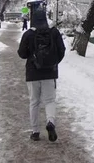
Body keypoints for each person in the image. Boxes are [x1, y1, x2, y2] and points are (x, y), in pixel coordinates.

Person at [17, 7, 66, 142]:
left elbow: (21, 53)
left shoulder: (28, 34)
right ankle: (50, 122)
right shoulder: (54, 32)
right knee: (50, 100)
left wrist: (32, 56)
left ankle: (35, 131)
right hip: (50, 73)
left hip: (32, 73)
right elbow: (62, 50)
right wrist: (53, 63)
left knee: (34, 102)